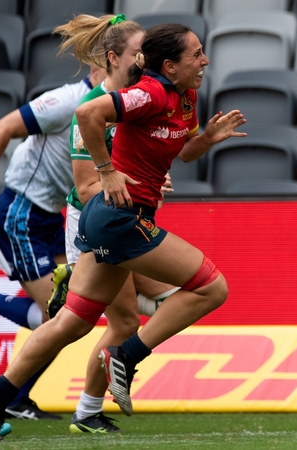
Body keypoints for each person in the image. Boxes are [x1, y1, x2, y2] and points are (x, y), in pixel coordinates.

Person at [0, 23, 246, 441]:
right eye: (196, 54)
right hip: (117, 220)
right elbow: (87, 116)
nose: (205, 60)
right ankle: (124, 359)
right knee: (211, 288)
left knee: (72, 322)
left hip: (113, 220)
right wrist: (107, 171)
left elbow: (181, 150)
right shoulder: (148, 94)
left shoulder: (184, 97)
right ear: (169, 65)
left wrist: (208, 140)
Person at [52, 13, 181, 434]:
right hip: (93, 225)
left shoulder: (138, 100)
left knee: (176, 298)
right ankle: (85, 411)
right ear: (113, 58)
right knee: (123, 324)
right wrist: (118, 177)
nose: (145, 61)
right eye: (138, 53)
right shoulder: (92, 108)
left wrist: (152, 180)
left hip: (124, 221)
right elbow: (86, 187)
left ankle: (73, 282)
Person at [0, 49, 107, 421]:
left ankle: (17, 399)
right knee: (62, 314)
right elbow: (0, 129)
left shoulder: (109, 106)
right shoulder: (68, 100)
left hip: (51, 216)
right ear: (103, 64)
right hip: (22, 212)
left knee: (73, 314)